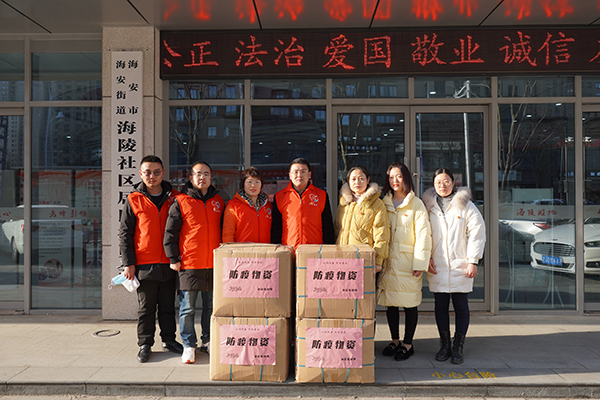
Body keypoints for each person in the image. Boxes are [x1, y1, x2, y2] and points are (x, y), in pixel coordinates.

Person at [117, 155, 183, 363]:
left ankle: (169, 340)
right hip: (144, 262)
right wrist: (129, 264)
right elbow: (125, 234)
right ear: (140, 174)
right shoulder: (133, 199)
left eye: (156, 172)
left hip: (170, 261)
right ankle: (145, 343)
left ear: (163, 173)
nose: (152, 176)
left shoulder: (175, 198)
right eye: (147, 172)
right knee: (146, 307)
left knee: (167, 306)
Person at [422, 168, 486, 364]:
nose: (442, 185)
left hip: (461, 264)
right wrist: (426, 257)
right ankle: (444, 344)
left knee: (461, 305)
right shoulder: (428, 207)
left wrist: (473, 260)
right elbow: (423, 234)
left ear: (453, 182)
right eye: (438, 182)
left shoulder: (466, 206)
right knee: (440, 305)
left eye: (446, 181)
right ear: (433, 184)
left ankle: (458, 345)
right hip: (437, 263)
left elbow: (477, 233)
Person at [164, 161, 224, 364]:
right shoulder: (181, 201)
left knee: (211, 307)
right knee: (187, 308)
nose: (202, 177)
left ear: (211, 177)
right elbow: (170, 233)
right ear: (190, 177)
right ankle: (189, 345)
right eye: (198, 174)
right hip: (189, 263)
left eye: (206, 174)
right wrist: (173, 258)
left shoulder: (218, 201)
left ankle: (208, 340)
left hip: (214, 263)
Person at [376, 162, 432, 361]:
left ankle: (408, 344)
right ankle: (395, 341)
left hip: (408, 263)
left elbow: (424, 235)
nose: (395, 181)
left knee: (410, 303)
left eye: (398, 176)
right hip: (389, 262)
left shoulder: (416, 204)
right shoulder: (384, 202)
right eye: (391, 177)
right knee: (391, 303)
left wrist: (420, 263)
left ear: (406, 177)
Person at [334, 165, 390, 269]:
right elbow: (337, 229)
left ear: (368, 180)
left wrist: (378, 261)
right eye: (353, 179)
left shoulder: (376, 204)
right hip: (341, 259)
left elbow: (382, 233)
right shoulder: (344, 203)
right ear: (348, 181)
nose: (357, 182)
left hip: (364, 260)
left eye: (361, 179)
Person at [271, 158, 335, 247]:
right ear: (290, 175)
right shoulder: (280, 196)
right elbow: (276, 229)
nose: (299, 175)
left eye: (303, 172)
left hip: (315, 249)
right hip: (289, 250)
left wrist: (327, 249)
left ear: (309, 175)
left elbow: (328, 226)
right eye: (295, 172)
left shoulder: (321, 195)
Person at [222, 166, 272, 243]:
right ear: (243, 184)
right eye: (249, 182)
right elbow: (228, 234)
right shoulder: (233, 206)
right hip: (242, 249)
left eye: (257, 182)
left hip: (265, 249)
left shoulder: (268, 206)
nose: (253, 185)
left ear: (261, 185)